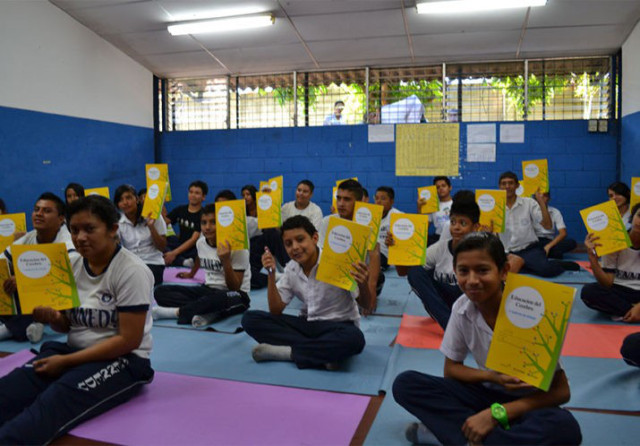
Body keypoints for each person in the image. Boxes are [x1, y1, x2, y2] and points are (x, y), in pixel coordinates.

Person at [393, 233, 582, 446]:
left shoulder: (531, 309)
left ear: (504, 271)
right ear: (455, 271)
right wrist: (492, 377)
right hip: (486, 393)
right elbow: (451, 370)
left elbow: (561, 392)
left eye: (483, 270)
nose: (472, 280)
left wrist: (496, 414)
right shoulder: (462, 308)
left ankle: (459, 436)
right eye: (463, 271)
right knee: (405, 384)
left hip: (530, 403)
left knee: (566, 428)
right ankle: (486, 437)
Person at [0, 195, 154, 444]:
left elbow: (129, 340)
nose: (80, 237)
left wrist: (66, 361)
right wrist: (53, 317)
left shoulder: (131, 271)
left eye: (89, 229)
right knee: (9, 390)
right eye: (74, 230)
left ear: (113, 229)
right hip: (72, 352)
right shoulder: (70, 265)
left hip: (123, 360)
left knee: (51, 404)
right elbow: (66, 325)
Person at [241, 215, 372, 369]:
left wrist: (363, 284)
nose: (295, 247)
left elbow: (366, 304)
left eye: (300, 239)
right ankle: (323, 354)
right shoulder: (291, 268)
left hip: (338, 326)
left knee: (355, 339)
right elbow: (276, 310)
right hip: (307, 325)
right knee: (250, 319)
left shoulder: (337, 262)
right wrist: (271, 274)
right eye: (288, 244)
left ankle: (288, 353)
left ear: (315, 238)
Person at [153, 204, 251, 327]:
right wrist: (191, 274)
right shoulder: (201, 243)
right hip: (208, 290)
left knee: (217, 299)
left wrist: (226, 261)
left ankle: (176, 312)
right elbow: (199, 258)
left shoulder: (238, 248)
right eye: (204, 223)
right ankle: (208, 312)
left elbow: (234, 287)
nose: (207, 227)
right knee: (161, 292)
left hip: (236, 295)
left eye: (213, 222)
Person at [393, 197, 481, 330]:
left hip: (470, 303)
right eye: (453, 222)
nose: (456, 227)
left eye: (463, 223)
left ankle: (469, 323)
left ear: (475, 227)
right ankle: (449, 325)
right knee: (415, 272)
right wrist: (397, 248)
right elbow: (404, 272)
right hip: (444, 306)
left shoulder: (482, 252)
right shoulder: (440, 248)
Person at [0, 192, 76, 344]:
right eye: (36, 209)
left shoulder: (67, 244)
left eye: (46, 211)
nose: (39, 214)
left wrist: (25, 281)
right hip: (33, 300)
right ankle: (32, 324)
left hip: (60, 302)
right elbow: (2, 260)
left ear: (61, 219)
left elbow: (66, 281)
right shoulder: (29, 237)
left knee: (31, 298)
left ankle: (11, 328)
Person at [319, 179, 382, 303]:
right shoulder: (327, 221)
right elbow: (320, 253)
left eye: (347, 199)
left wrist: (371, 288)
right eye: (338, 198)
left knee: (378, 279)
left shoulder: (369, 224)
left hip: (359, 276)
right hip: (333, 274)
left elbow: (374, 255)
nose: (341, 204)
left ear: (358, 202)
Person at [580, 203, 640, 322]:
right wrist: (592, 258)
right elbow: (607, 282)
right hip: (619, 290)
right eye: (639, 215)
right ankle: (631, 311)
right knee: (589, 291)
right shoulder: (614, 240)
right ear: (632, 216)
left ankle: (628, 312)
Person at [497, 172, 563, 278]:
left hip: (528, 249)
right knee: (496, 273)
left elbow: (548, 226)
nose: (507, 186)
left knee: (547, 271)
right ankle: (523, 265)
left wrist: (541, 202)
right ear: (499, 186)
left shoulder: (529, 203)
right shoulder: (495, 206)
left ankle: (555, 264)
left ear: (517, 185)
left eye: (511, 183)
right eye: (503, 184)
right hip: (506, 252)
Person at [114, 184, 167, 286]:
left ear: (137, 199)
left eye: (128, 198)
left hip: (152, 262)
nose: (125, 202)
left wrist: (151, 227)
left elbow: (162, 247)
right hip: (130, 264)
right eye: (121, 200)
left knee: (136, 280)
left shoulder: (153, 216)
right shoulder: (117, 222)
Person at [163, 180, 208, 267]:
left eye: (197, 193)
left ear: (203, 197)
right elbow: (164, 222)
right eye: (191, 192)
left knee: (200, 249)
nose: (193, 195)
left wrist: (174, 253)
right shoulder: (180, 209)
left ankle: (180, 260)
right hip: (180, 244)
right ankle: (184, 261)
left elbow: (193, 239)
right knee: (164, 242)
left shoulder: (203, 214)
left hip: (193, 248)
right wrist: (161, 204)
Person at [533, 191, 577, 259]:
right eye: (539, 196)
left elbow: (563, 233)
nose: (542, 197)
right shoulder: (531, 210)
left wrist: (548, 246)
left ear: (549, 198)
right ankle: (548, 253)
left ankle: (542, 253)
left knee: (572, 243)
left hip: (549, 241)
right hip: (534, 240)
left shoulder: (555, 212)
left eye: (545, 196)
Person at [375, 186, 402, 270]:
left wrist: (394, 242)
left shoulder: (399, 217)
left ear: (391, 201)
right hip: (372, 253)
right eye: (376, 198)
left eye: (383, 199)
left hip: (385, 256)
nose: (378, 201)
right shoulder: (370, 215)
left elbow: (406, 244)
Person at [421, 176, 453, 245]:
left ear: (450, 187)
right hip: (438, 237)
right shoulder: (432, 206)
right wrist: (419, 208)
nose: (441, 188)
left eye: (443, 186)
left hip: (453, 237)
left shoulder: (457, 203)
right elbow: (423, 227)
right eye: (438, 187)